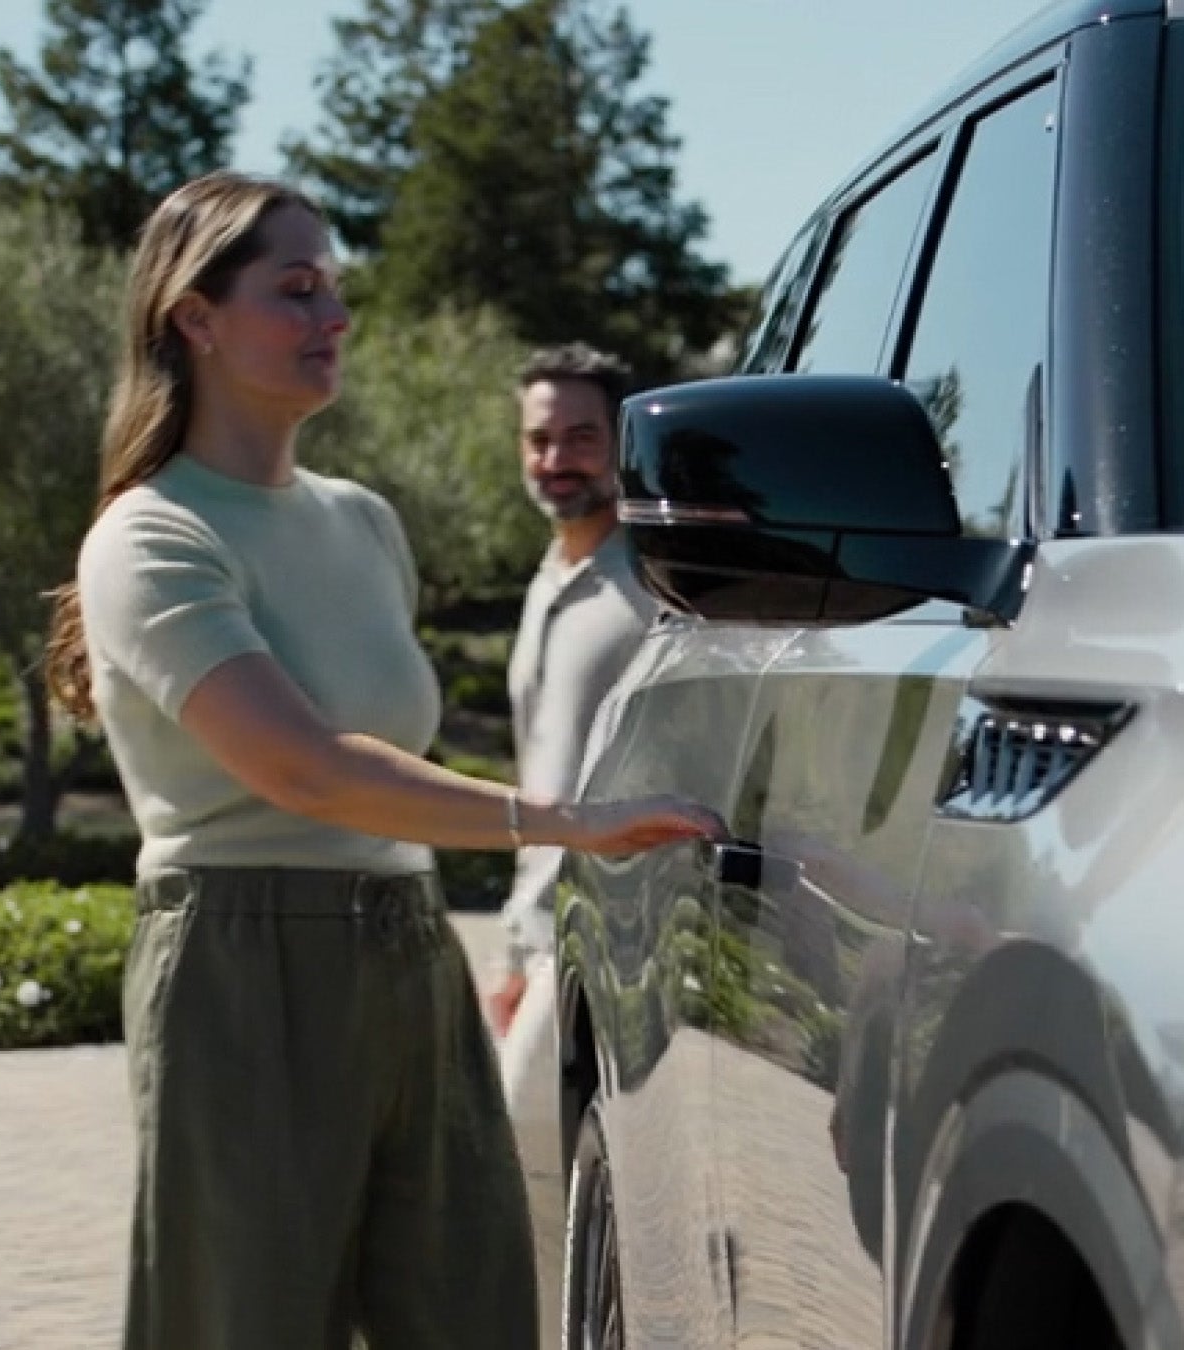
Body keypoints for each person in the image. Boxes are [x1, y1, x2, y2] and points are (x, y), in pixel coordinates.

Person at [42, 171, 720, 1350]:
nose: (334, 318)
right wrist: (566, 824)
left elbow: (380, 761)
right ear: (194, 318)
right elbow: (306, 770)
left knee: (473, 1312)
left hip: (409, 945)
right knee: (245, 1324)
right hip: (244, 965)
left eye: (335, 289)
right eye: (296, 290)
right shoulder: (151, 536)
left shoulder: (362, 521)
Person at [483, 343, 661, 1319]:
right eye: (539, 439)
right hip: (547, 934)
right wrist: (515, 949)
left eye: (581, 438)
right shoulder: (552, 578)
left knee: (536, 1171)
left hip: (620, 929)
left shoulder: (653, 587)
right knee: (538, 1181)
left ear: (623, 446)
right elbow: (537, 774)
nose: (556, 459)